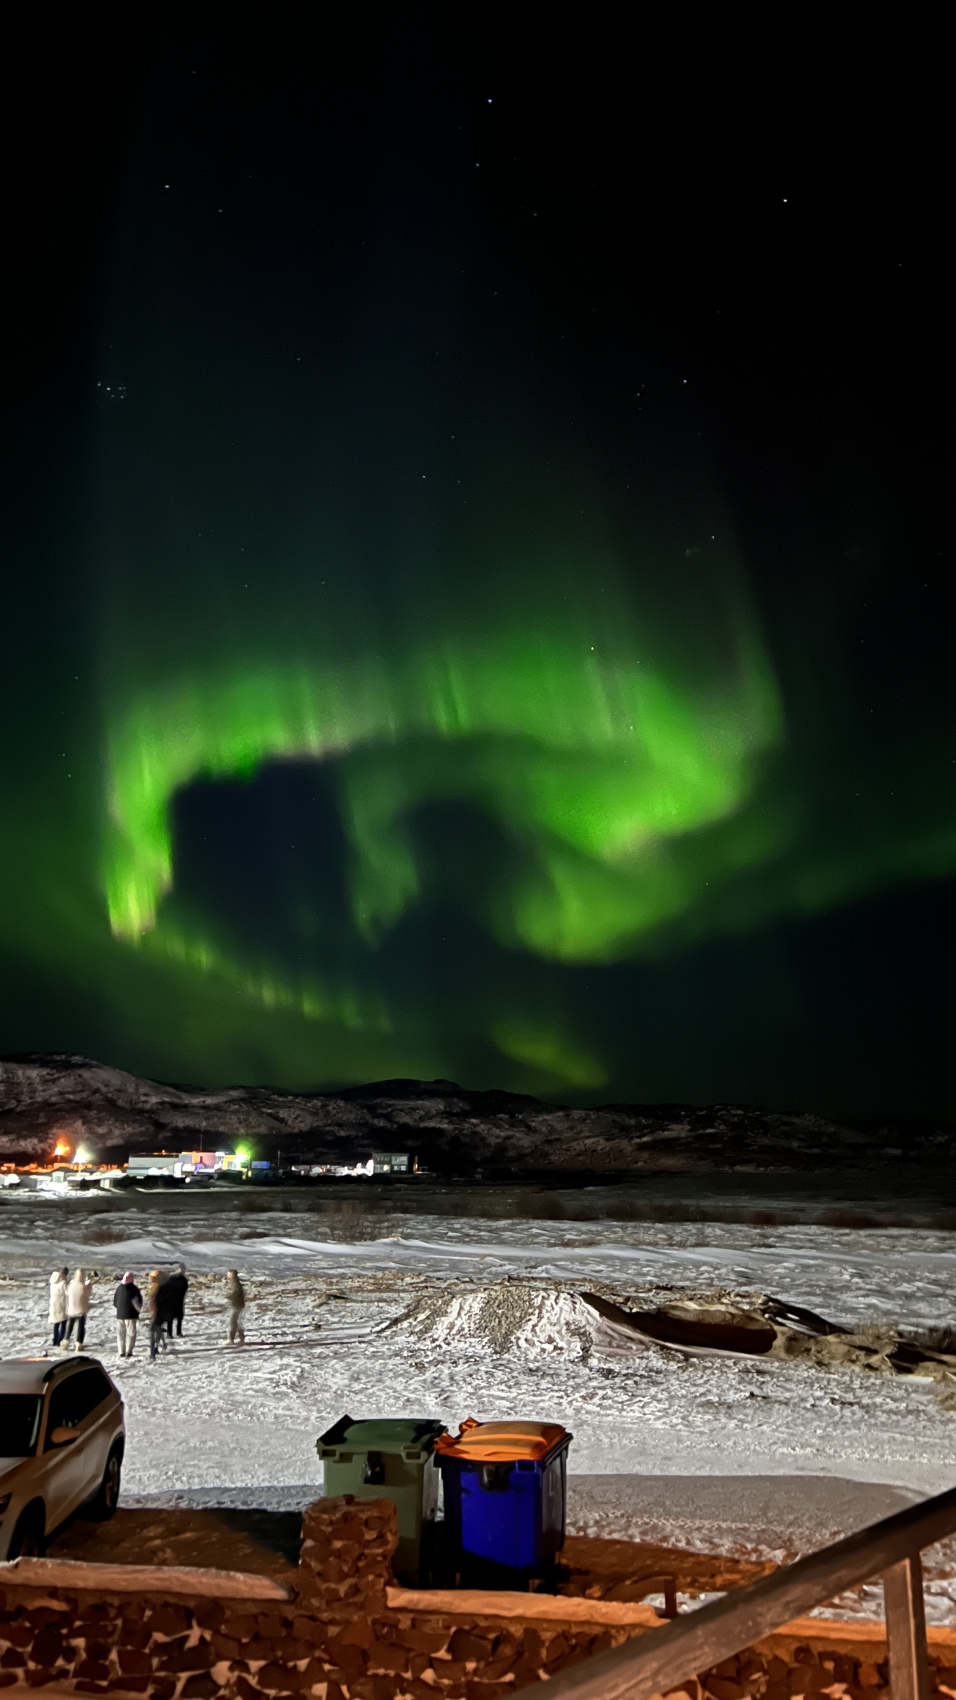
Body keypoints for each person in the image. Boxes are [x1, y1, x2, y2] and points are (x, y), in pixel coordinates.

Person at [113, 1272, 142, 1359]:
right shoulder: (133, 1289)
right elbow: (137, 1302)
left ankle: (121, 1351)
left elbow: (115, 1303)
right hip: (131, 1314)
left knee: (121, 1333)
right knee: (131, 1333)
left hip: (120, 1314)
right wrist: (140, 1311)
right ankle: (129, 1351)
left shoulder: (119, 1288)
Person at [65, 1269, 94, 1348]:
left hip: (71, 1309)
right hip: (81, 1309)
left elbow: (66, 1293)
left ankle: (65, 1340)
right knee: (80, 1327)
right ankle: (78, 1343)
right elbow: (88, 1295)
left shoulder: (71, 1285)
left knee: (70, 1326)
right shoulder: (83, 1286)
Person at [157, 1263, 189, 1337]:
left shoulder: (184, 1279)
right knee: (170, 1318)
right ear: (178, 1269)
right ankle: (169, 1333)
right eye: (181, 1269)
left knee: (179, 1318)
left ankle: (178, 1332)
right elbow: (164, 1287)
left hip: (180, 1300)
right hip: (171, 1301)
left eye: (183, 1269)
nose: (182, 1270)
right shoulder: (172, 1278)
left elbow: (184, 1289)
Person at [146, 1270, 167, 1361]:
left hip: (155, 1313)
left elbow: (151, 1300)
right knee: (158, 1331)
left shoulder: (154, 1288)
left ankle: (152, 1353)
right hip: (161, 1313)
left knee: (152, 1332)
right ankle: (156, 1348)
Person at [49, 1268, 69, 1349]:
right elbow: (67, 1293)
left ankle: (54, 1340)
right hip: (61, 1304)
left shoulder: (52, 1282)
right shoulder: (63, 1283)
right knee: (63, 1323)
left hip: (53, 1304)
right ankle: (59, 1341)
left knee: (56, 1323)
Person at [225, 1269, 246, 1345]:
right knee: (236, 1322)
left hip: (236, 1305)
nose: (227, 1275)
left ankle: (231, 1339)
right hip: (237, 1304)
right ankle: (241, 1337)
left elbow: (235, 1293)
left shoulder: (235, 1283)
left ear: (232, 1275)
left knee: (233, 1322)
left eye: (229, 1274)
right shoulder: (233, 1282)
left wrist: (229, 1295)